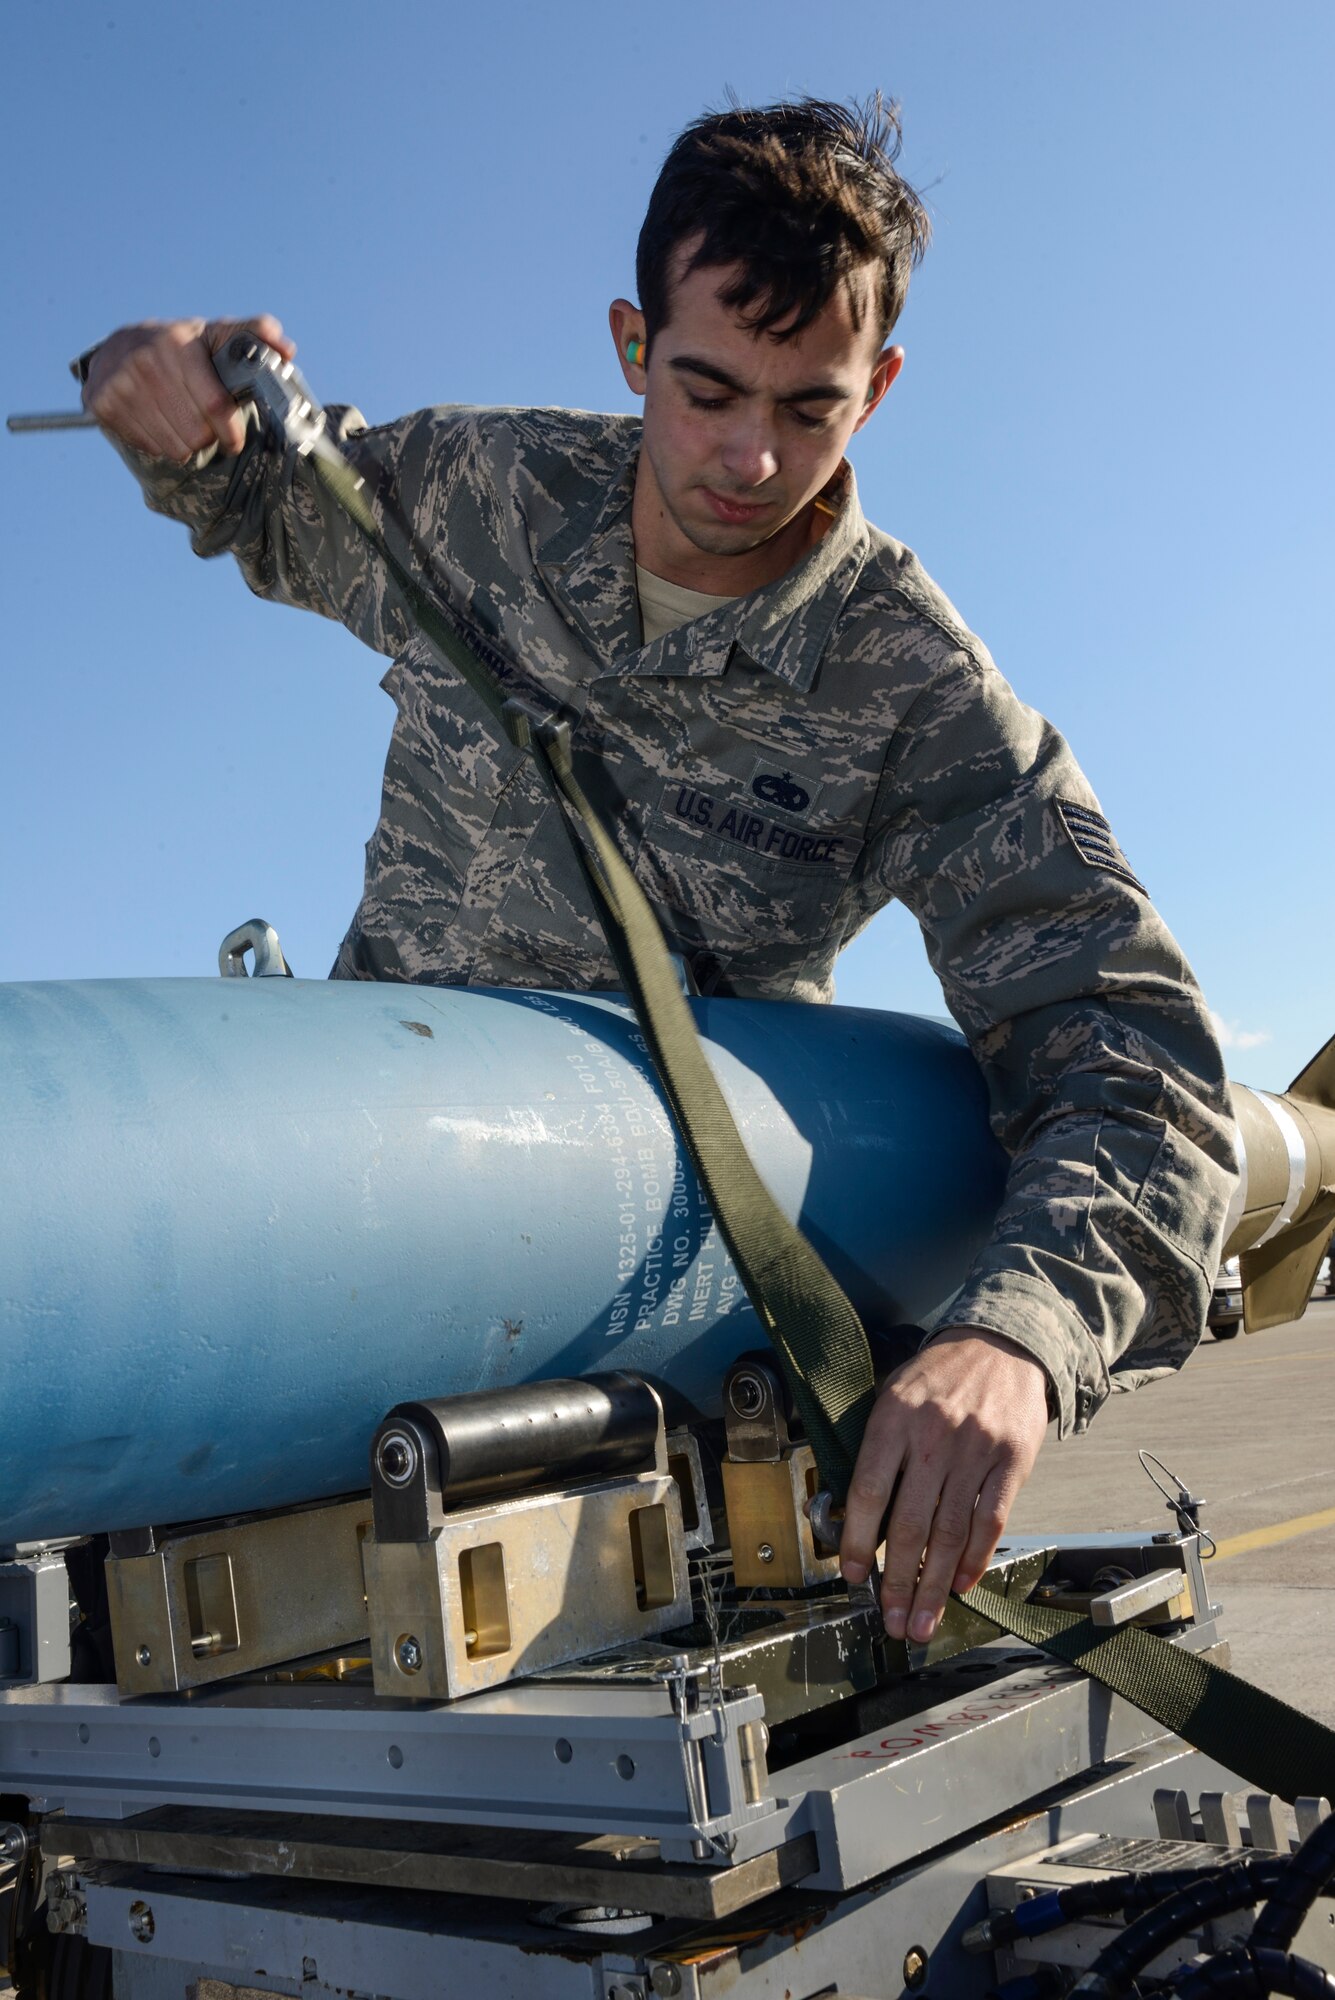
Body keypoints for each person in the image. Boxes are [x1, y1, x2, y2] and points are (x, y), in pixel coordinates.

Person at [77, 96, 1236, 1647]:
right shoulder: (480, 498)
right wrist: (161, 397)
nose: (752, 457)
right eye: (705, 390)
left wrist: (1016, 1340)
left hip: (639, 1389)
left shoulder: (912, 687)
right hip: (350, 1280)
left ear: (878, 390)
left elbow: (1137, 1055)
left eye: (810, 407)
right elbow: (267, 499)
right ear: (632, 345)